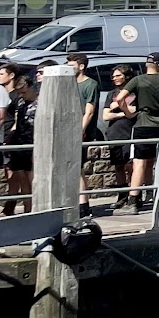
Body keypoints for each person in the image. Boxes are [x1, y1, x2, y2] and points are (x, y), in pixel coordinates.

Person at [123, 53, 159, 210]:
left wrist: (128, 113)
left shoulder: (138, 80)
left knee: (139, 163)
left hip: (142, 125)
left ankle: (133, 201)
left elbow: (121, 98)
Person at [99, 64, 138, 209]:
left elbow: (136, 111)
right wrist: (123, 112)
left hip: (131, 133)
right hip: (115, 133)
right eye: (113, 76)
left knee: (131, 165)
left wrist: (119, 108)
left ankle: (135, 194)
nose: (114, 78)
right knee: (118, 166)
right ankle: (122, 195)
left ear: (126, 76)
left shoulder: (135, 93)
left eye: (118, 75)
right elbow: (106, 116)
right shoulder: (111, 94)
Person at [0, 62, 35, 214]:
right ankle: (12, 205)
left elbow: (13, 119)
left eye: (1, 73)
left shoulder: (17, 98)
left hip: (22, 140)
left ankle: (20, 207)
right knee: (14, 173)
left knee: (24, 176)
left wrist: (11, 134)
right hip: (14, 140)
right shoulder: (17, 99)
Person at [68, 52, 101, 214]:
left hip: (81, 134)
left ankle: (84, 205)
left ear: (81, 67)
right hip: (66, 132)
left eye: (71, 65)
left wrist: (79, 130)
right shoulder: (68, 83)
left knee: (78, 169)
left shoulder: (90, 85)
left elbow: (89, 112)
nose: (69, 69)